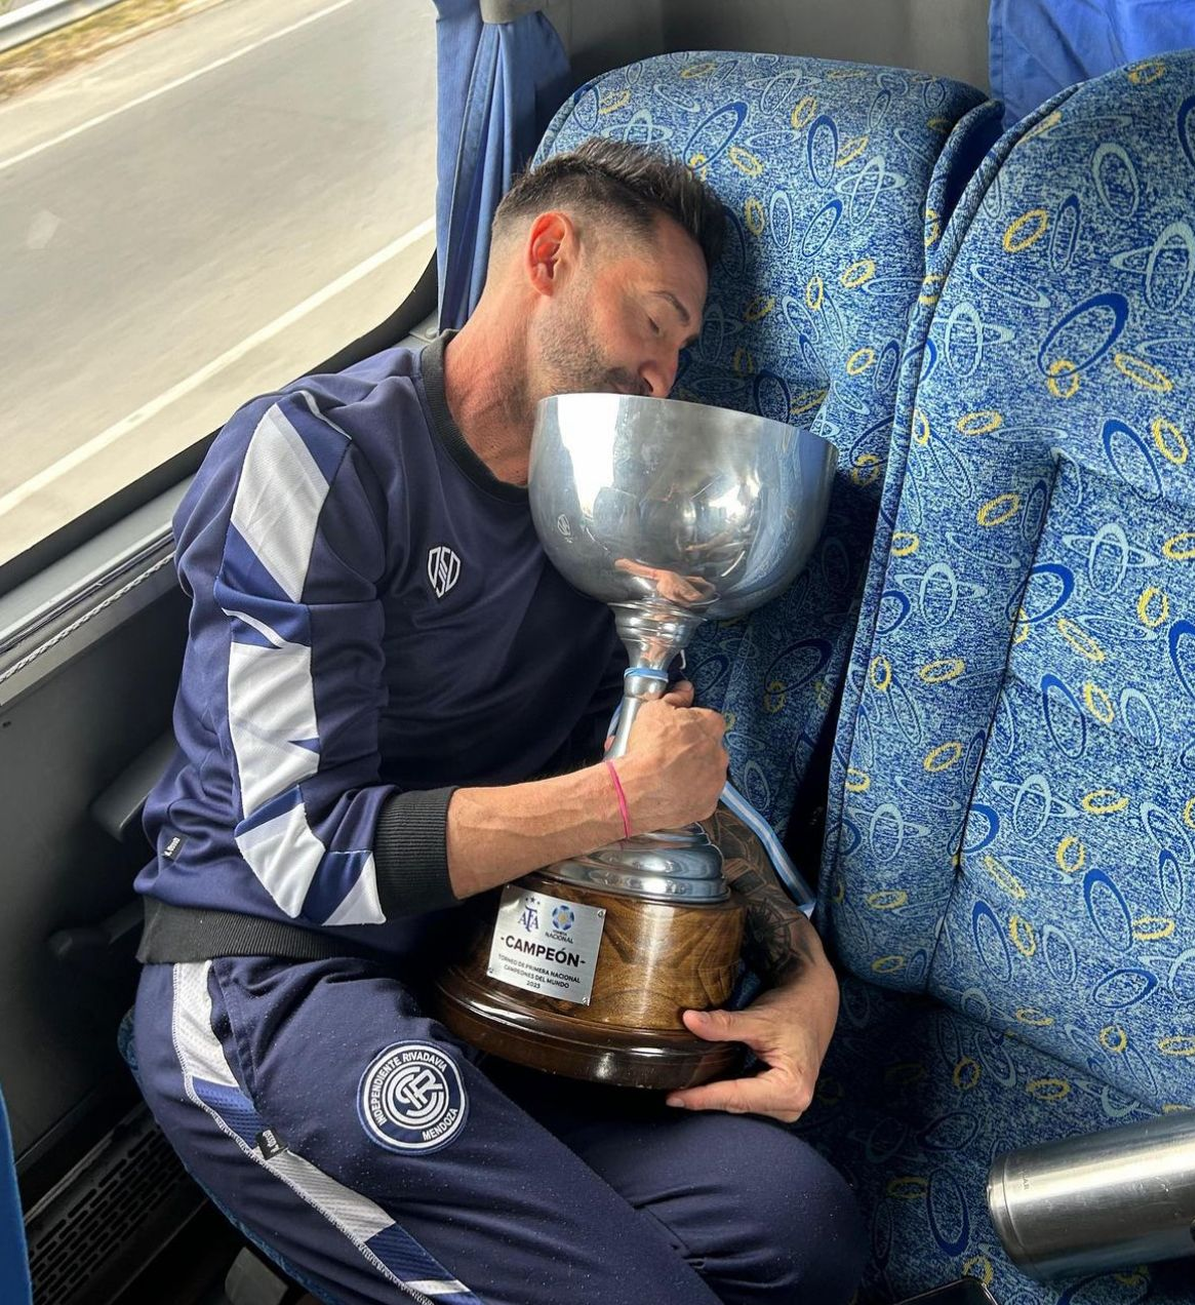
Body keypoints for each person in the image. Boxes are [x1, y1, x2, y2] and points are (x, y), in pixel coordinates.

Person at [132, 137, 867, 1305]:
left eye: (683, 351)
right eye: (654, 323)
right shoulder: (320, 456)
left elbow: (653, 783)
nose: (665, 379)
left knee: (799, 1228)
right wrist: (618, 796)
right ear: (550, 253)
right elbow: (298, 853)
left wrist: (803, 968)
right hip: (266, 979)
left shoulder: (600, 518)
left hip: (475, 979)